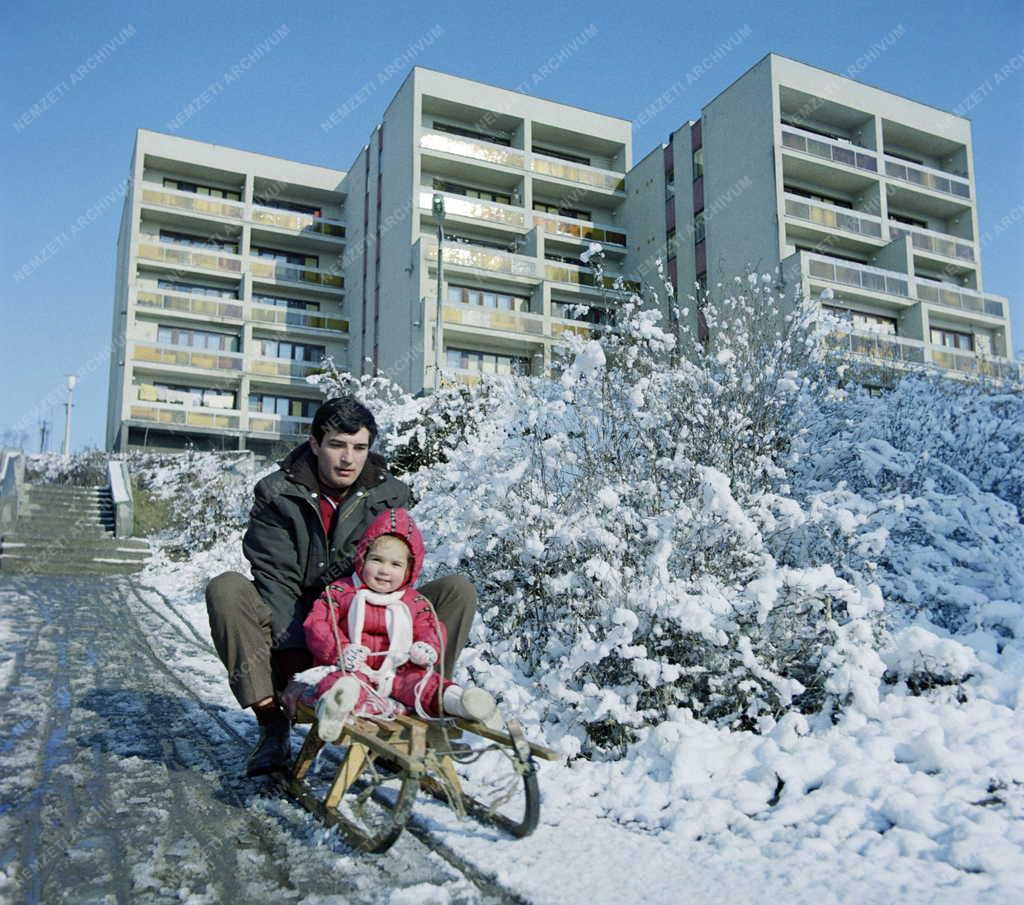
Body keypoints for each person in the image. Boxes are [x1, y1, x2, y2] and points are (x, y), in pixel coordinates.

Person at [205, 396, 478, 776]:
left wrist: (400, 635)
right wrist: (308, 665)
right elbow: (277, 584)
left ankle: (417, 697)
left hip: (369, 631)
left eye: (359, 447)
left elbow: (399, 573)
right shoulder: (277, 494)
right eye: (337, 445)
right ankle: (271, 725)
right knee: (227, 589)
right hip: (299, 630)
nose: (348, 458)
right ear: (316, 444)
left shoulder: (389, 496)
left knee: (456, 590)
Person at [304, 507, 496, 742]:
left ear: (409, 570)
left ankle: (460, 701)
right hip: (354, 668)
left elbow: (431, 627)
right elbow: (318, 625)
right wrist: (340, 650)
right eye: (376, 560)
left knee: (424, 685)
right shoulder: (341, 592)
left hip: (397, 672)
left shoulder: (412, 602)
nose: (385, 570)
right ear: (362, 559)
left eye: (395, 565)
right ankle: (336, 706)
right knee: (341, 683)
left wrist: (428, 647)